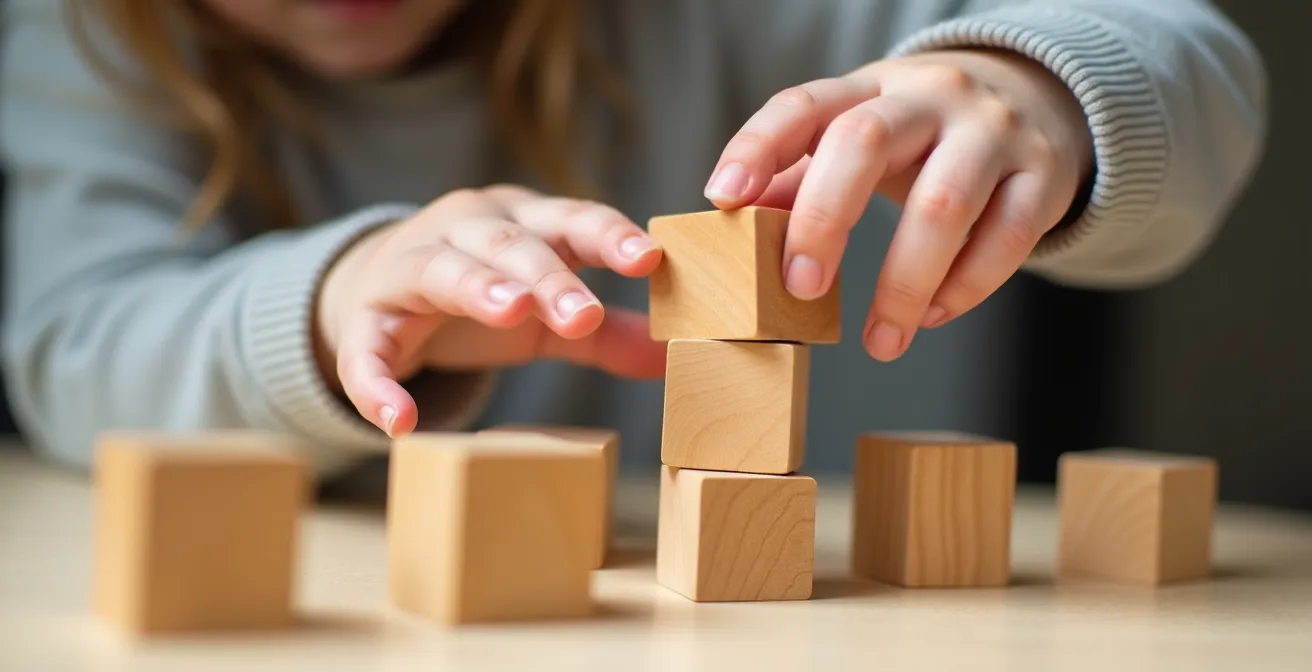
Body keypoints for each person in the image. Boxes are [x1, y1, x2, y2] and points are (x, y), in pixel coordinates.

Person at [0, 0, 1265, 479]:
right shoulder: (92, 37)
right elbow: (71, 346)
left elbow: (1198, 63)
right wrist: (327, 301)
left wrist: (1035, 85)